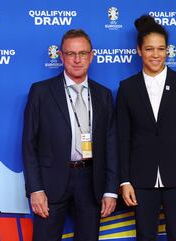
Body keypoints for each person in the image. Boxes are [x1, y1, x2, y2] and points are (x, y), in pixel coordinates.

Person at [22, 29, 119, 241]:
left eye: (83, 53)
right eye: (70, 54)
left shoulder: (103, 95)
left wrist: (111, 190)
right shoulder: (41, 92)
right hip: (50, 182)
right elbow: (29, 144)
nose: (77, 60)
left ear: (91, 56)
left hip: (91, 180)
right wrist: (35, 189)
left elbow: (111, 145)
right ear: (61, 56)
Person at [116, 15, 176, 241]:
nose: (155, 54)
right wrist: (125, 180)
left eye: (161, 49)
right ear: (139, 51)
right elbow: (123, 138)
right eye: (149, 49)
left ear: (168, 51)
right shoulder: (127, 88)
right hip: (141, 179)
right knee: (145, 236)